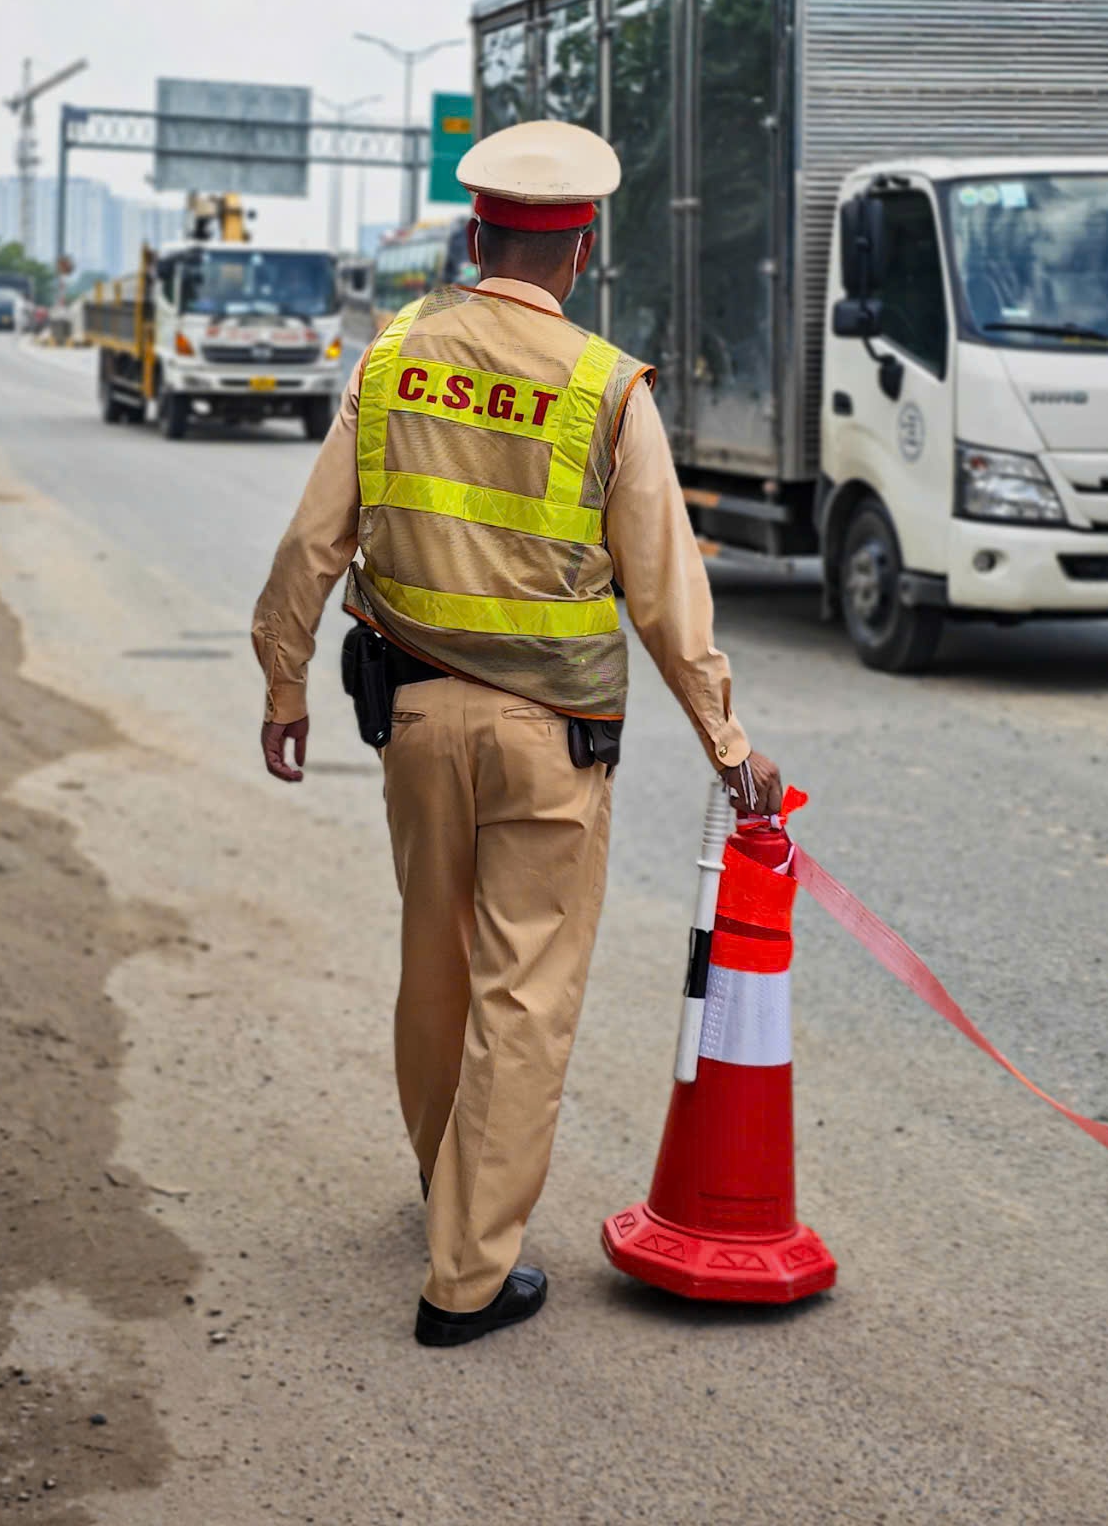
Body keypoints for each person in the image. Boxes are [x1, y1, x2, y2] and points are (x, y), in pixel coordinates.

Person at [250, 119, 783, 1349]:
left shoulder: (391, 363)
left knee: (433, 964)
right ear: (579, 251)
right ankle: (467, 1279)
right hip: (551, 742)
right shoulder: (605, 386)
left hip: (417, 720)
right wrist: (726, 743)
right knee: (522, 993)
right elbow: (663, 591)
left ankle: (451, 1193)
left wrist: (284, 684)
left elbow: (309, 545)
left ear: (475, 235)